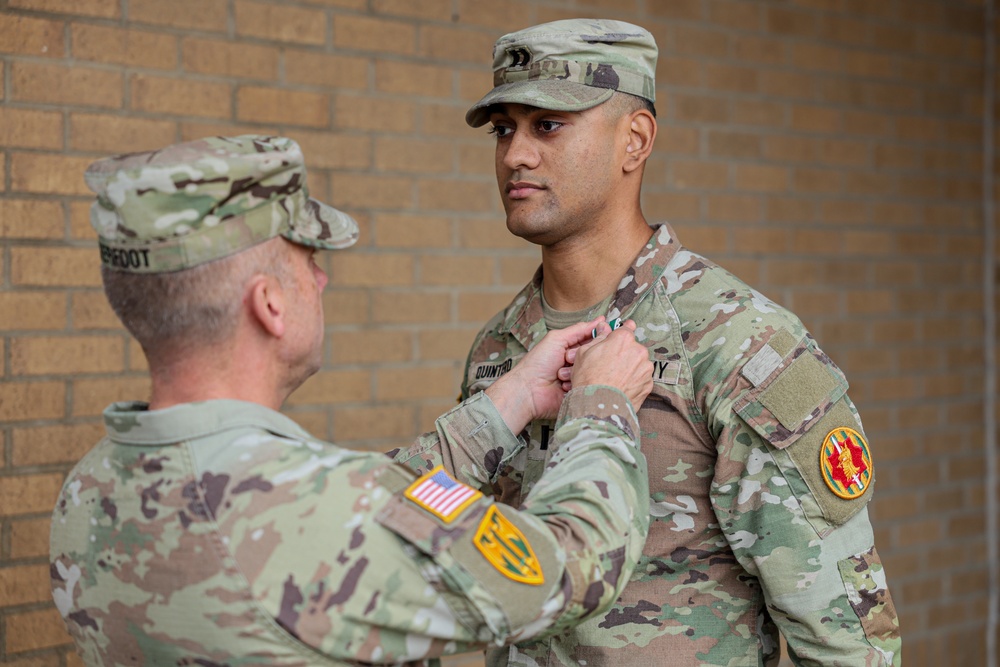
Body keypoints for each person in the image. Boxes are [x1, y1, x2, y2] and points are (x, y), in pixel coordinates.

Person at [48, 135, 657, 666]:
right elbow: (570, 569)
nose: (321, 279)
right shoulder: (315, 510)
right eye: (307, 260)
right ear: (270, 305)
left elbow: (382, 502)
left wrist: (510, 401)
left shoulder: (88, 490)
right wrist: (601, 404)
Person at [459, 18, 902, 667]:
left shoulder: (740, 344)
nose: (516, 154)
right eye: (505, 129)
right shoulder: (500, 350)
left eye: (547, 124)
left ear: (633, 141)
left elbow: (846, 642)